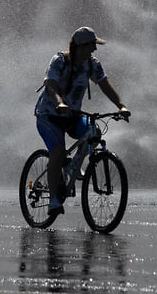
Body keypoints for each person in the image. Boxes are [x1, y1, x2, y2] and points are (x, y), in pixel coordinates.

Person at [35, 26, 130, 216]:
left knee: (94, 132)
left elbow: (105, 85)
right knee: (58, 152)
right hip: (49, 115)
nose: (94, 49)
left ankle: (72, 167)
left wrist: (121, 106)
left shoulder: (92, 64)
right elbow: (51, 86)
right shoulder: (60, 61)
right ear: (80, 46)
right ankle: (53, 200)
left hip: (72, 115)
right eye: (92, 45)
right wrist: (60, 103)